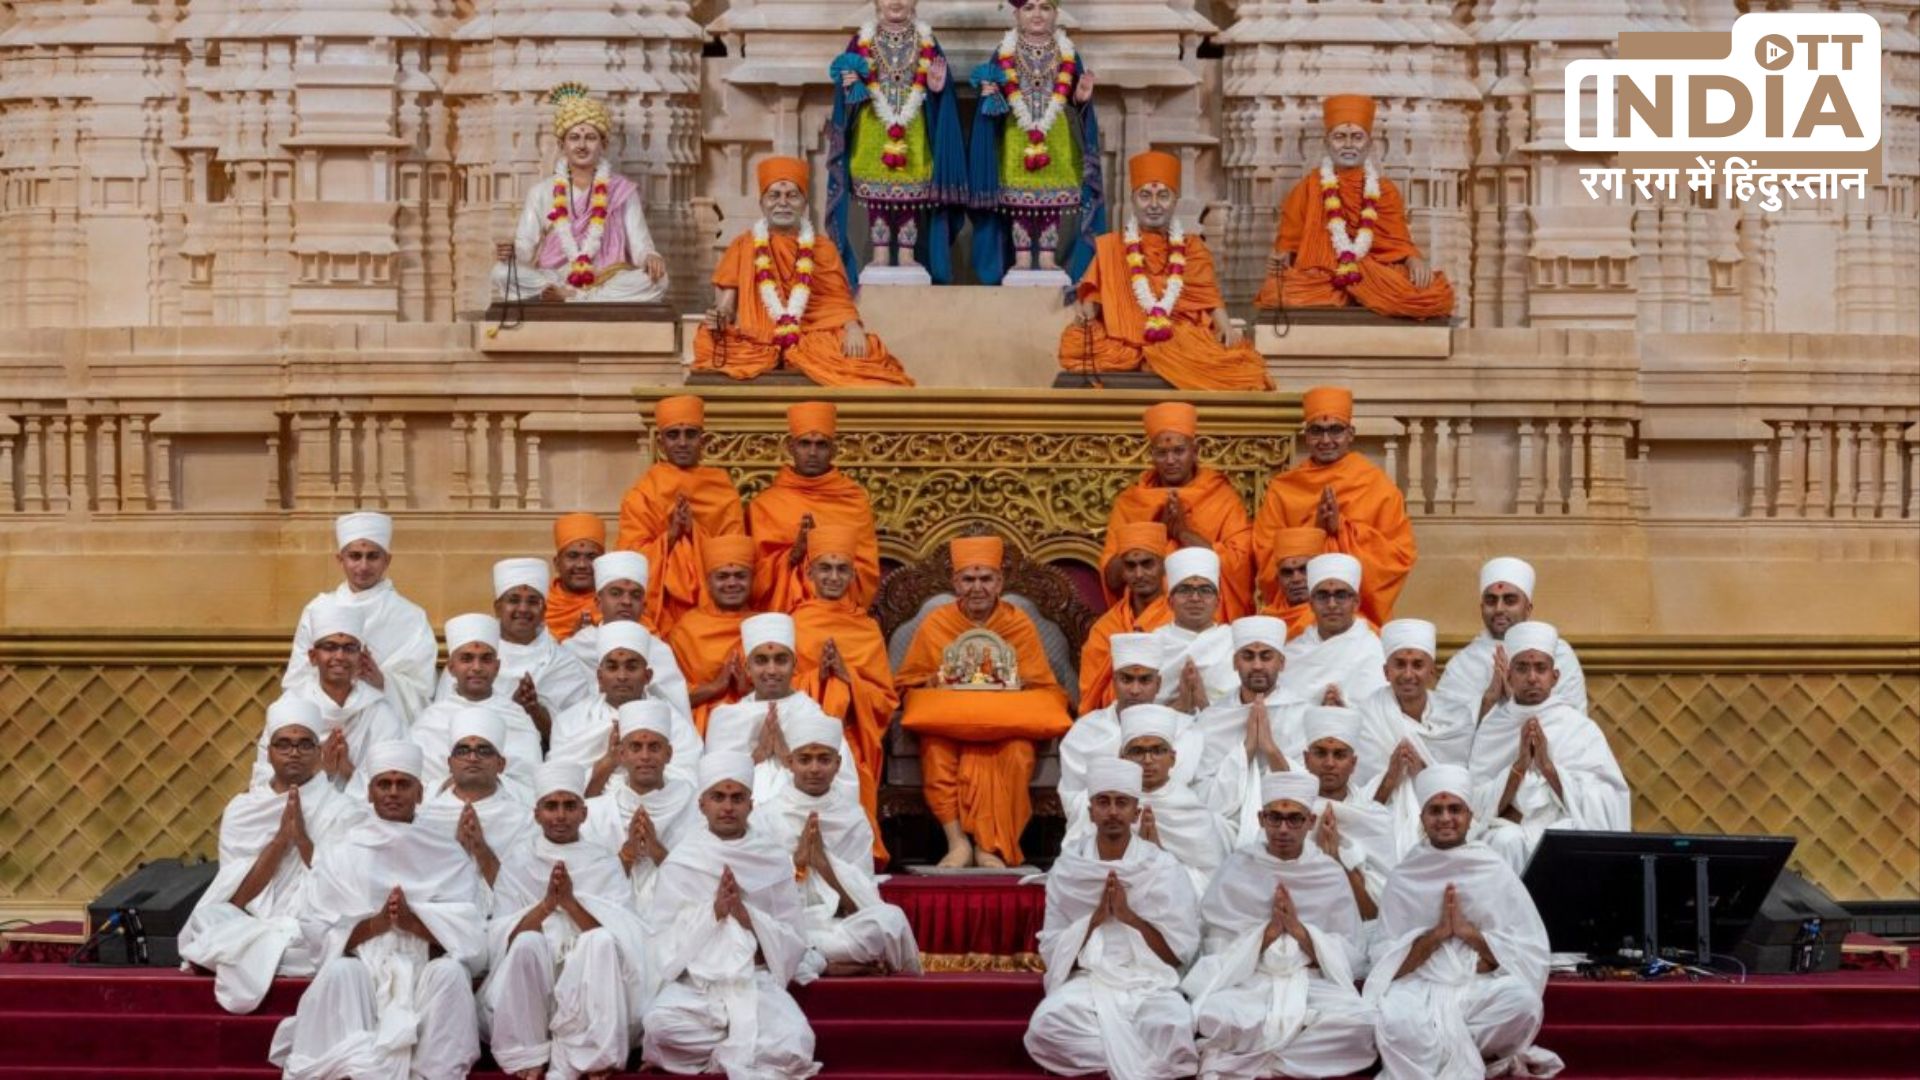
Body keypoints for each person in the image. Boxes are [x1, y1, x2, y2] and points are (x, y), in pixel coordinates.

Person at [269, 742, 488, 1080]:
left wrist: (415, 925)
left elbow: (470, 939)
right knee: (340, 972)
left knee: (451, 974)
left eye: (403, 784)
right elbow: (317, 931)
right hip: (363, 972)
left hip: (422, 974)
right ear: (369, 793)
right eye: (384, 784)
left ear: (420, 793)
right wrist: (377, 924)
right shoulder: (342, 852)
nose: (393, 792)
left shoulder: (446, 853)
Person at [1365, 766, 1562, 1079]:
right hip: (1419, 987)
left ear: (1470, 816)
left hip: (1477, 986)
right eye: (1436, 810)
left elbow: (1529, 950)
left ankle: (1445, 1052)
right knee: (1394, 1021)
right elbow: (1383, 962)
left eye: (1455, 809)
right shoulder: (1405, 876)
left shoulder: (1493, 869)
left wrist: (1471, 936)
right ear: (1423, 819)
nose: (1445, 818)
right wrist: (1436, 936)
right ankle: (1470, 1058)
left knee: (1522, 1003)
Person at [1184, 771, 1379, 1080]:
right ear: (1261, 819)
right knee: (1213, 1016)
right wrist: (1267, 936)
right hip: (1249, 980)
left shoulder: (1328, 872)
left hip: (1311, 981)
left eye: (1294, 819)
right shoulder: (1238, 866)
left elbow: (1352, 952)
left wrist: (1300, 933)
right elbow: (1215, 944)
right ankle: (1290, 1059)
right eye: (1275, 818)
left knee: (1362, 1024)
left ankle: (1257, 1061)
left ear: (1310, 822)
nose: (1283, 829)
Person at [895, 535, 1074, 868]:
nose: (977, 587)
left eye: (985, 579)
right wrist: (933, 681)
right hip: (949, 719)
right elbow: (908, 681)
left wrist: (1017, 683)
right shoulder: (937, 622)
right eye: (968, 579)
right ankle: (957, 842)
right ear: (955, 582)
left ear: (1000, 582)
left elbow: (1042, 682)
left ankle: (991, 846)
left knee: (1019, 753)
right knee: (935, 750)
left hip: (1004, 721)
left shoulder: (1017, 622)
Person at [641, 753, 820, 1079]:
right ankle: (738, 1046)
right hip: (697, 986)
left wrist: (744, 914)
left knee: (795, 1046)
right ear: (702, 805)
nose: (727, 806)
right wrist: (714, 912)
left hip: (755, 980)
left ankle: (727, 1045)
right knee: (659, 1028)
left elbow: (793, 938)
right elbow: (662, 941)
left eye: (737, 798)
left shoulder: (773, 858)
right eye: (718, 797)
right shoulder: (682, 861)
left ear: (750, 805)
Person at [180, 699, 362, 1014]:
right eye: (284, 744)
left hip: (309, 925)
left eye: (305, 744)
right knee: (206, 919)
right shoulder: (242, 809)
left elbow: (341, 891)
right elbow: (236, 898)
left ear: (319, 753)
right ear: (270, 752)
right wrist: (280, 842)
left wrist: (303, 841)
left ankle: (252, 952)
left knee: (333, 936)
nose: (294, 752)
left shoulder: (342, 809)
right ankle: (266, 948)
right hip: (256, 921)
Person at [1025, 757, 1200, 1080]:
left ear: (1136, 811)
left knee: (1173, 1025)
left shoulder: (1162, 867)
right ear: (1090, 810)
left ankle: (1122, 1063)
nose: (1113, 811)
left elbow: (1178, 954)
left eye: (1122, 802)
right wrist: (1095, 919)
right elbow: (1055, 953)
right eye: (1103, 802)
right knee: (1047, 1027)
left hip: (1150, 984)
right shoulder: (1069, 869)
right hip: (1089, 982)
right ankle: (1147, 1067)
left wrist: (1128, 916)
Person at [482, 762, 650, 1080]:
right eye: (552, 806)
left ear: (583, 814)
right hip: (537, 967)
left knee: (598, 942)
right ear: (537, 814)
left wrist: (570, 904)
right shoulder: (519, 860)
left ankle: (594, 1053)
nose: (560, 815)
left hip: (587, 969)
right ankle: (527, 1052)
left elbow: (623, 937)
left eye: (569, 805)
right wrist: (547, 905)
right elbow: (502, 936)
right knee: (527, 942)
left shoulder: (603, 862)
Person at [692, 156, 915, 387]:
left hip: (811, 333)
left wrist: (853, 328)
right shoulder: (743, 245)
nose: (783, 202)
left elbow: (837, 302)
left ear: (804, 203)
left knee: (868, 353)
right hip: (757, 338)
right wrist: (719, 317)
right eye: (774, 195)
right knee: (707, 341)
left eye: (792, 195)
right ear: (762, 204)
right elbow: (726, 307)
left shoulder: (823, 248)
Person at [1059, 151, 1272, 391]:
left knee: (1240, 366)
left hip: (1177, 334)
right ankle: (1148, 356)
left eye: (1163, 196)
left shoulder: (1192, 247)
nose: (1153, 205)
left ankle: (1157, 357)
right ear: (1133, 199)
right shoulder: (1112, 246)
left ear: (1175, 201)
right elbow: (1094, 296)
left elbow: (1208, 297)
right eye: (1145, 196)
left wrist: (1225, 327)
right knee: (1075, 345)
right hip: (1125, 337)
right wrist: (1086, 317)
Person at [750, 712, 922, 978]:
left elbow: (859, 906)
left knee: (890, 920)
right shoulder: (767, 816)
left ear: (838, 763)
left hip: (837, 929)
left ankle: (815, 962)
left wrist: (824, 866)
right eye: (805, 759)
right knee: (760, 935)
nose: (815, 769)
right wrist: (798, 864)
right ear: (789, 762)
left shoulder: (852, 817)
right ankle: (831, 964)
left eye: (824, 759)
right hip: (791, 927)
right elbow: (762, 899)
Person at [1256, 94, 1454, 320]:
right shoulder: (1307, 188)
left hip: (1373, 271)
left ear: (1369, 143)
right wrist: (1280, 261)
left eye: (1357, 137)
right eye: (1340, 137)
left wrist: (1414, 260)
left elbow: (1398, 242)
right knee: (1277, 292)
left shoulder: (1384, 190)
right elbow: (1288, 246)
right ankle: (1355, 293)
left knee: (1432, 293)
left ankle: (1359, 291)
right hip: (1322, 274)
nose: (1349, 145)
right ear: (1327, 143)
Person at [1468, 622, 1631, 874]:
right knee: (1504, 841)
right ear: (1508, 675)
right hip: (1510, 831)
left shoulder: (1579, 728)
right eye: (1522, 668)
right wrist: (1519, 767)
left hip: (1563, 827)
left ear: (1554, 677)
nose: (1532, 677)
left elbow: (1609, 801)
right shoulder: (1493, 728)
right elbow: (1476, 806)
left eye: (1540, 668)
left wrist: (1547, 767)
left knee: (1563, 840)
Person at [826, 0, 969, 280]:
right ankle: (880, 255)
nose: (896, 2)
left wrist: (938, 89)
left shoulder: (926, 41)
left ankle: (907, 254)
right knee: (878, 198)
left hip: (913, 131)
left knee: (910, 196)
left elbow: (941, 88)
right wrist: (850, 84)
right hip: (872, 131)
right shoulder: (861, 41)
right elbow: (846, 96)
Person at [492, 83, 668, 304]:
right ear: (562, 144)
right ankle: (581, 298)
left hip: (607, 277)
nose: (582, 145)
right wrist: (512, 251)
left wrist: (651, 257)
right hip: (556, 277)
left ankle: (574, 299)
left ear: (603, 143)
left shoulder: (622, 190)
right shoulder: (542, 192)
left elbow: (640, 244)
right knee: (501, 273)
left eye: (590, 138)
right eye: (574, 137)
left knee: (659, 280)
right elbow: (526, 245)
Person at [1255, 386, 1416, 626]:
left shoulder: (1377, 486)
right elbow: (1266, 558)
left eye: (1335, 430)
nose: (1326, 440)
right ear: (1306, 436)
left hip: (1357, 616)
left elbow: (1399, 558)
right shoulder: (1283, 488)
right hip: (1295, 615)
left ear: (1350, 433)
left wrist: (1341, 529)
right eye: (1317, 431)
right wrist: (1315, 534)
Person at [967, 0, 1103, 283]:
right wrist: (991, 92)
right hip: (1017, 135)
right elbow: (994, 102)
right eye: (1029, 8)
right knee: (1021, 202)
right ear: (1016, 14)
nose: (1037, 14)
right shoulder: (1005, 51)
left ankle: (1047, 257)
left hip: (1056, 136)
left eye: (1045, 7)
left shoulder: (1066, 52)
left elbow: (1075, 99)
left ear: (1056, 13)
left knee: (1050, 202)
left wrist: (1081, 97)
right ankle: (1022, 257)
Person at [791, 523, 899, 858]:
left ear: (853, 575)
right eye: (825, 568)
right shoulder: (794, 622)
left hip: (853, 735)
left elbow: (885, 699)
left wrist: (847, 677)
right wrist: (816, 678)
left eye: (842, 569)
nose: (833, 577)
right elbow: (777, 686)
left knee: (855, 775)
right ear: (810, 572)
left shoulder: (866, 628)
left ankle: (854, 867)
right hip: (799, 737)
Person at [1100, 403, 1257, 621]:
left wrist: (1184, 534)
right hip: (1145, 616)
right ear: (1151, 455)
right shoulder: (1131, 502)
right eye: (1162, 453)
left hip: (1206, 614)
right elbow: (1112, 579)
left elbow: (1240, 565)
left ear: (1195, 452)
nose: (1171, 460)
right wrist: (1154, 535)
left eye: (1178, 451)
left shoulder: (1222, 497)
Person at [283, 511, 437, 723]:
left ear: (387, 560)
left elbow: (422, 691)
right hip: (322, 720)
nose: (363, 566)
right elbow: (297, 679)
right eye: (355, 556)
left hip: (385, 724)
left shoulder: (411, 616)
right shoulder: (318, 608)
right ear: (340, 559)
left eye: (372, 556)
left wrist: (382, 680)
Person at [1064, 705, 1232, 897]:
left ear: (1173, 758)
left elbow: (1210, 883)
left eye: (1157, 750)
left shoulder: (1190, 810)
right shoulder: (1104, 803)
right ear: (1122, 757)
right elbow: (1076, 866)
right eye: (1137, 751)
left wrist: (1160, 861)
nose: (1148, 760)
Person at [615, 395, 748, 636]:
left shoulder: (722, 490)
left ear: (703, 440)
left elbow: (734, 557)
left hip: (714, 604)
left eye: (690, 434)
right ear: (662, 442)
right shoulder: (643, 494)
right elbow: (630, 561)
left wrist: (694, 532)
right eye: (674, 435)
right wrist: (672, 535)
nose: (683, 442)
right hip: (662, 606)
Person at [435, 558, 598, 740]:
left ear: (544, 609)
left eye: (532, 601)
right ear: (497, 608)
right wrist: (511, 710)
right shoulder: (470, 659)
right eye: (514, 600)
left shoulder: (563, 662)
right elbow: (446, 721)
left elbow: (576, 734)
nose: (523, 609)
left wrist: (535, 710)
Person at [704, 613, 857, 803]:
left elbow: (845, 789)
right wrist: (756, 756)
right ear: (747, 667)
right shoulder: (726, 719)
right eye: (761, 660)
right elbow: (711, 789)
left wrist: (788, 759)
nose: (771, 670)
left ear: (794, 665)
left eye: (780, 660)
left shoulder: (814, 717)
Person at [256, 601, 406, 793]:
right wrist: (319, 769)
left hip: (361, 819)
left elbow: (397, 787)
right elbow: (263, 781)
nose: (340, 656)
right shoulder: (289, 708)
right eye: (330, 647)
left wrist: (348, 772)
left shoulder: (379, 712)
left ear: (361, 658)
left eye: (349, 648)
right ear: (312, 656)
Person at [748, 402, 883, 613]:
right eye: (805, 444)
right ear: (791, 448)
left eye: (821, 445)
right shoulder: (766, 505)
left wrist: (826, 553)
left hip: (839, 612)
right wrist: (795, 553)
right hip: (785, 616)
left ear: (833, 450)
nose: (812, 452)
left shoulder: (853, 500)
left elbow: (866, 572)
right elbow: (754, 580)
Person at [1184, 615, 1308, 837]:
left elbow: (1308, 793)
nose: (1257, 665)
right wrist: (1247, 749)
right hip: (1225, 826)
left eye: (1266, 656)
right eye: (1248, 656)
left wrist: (1270, 749)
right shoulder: (1213, 719)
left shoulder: (1302, 714)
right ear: (1234, 663)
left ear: (1282, 662)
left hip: (1286, 824)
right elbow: (1203, 797)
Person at [551, 621, 702, 790]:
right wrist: (608, 762)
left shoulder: (673, 722)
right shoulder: (569, 722)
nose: (622, 676)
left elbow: (688, 781)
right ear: (600, 678)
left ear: (647, 676)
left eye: (631, 667)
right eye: (613, 667)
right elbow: (558, 787)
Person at [583, 700, 702, 909]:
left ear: (669, 754)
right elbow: (590, 887)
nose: (645, 756)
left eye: (654, 747)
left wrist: (657, 852)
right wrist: (627, 855)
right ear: (621, 754)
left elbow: (699, 886)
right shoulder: (598, 812)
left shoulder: (693, 806)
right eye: (636, 747)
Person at [1436, 557, 1589, 717]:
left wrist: (1516, 702)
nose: (1499, 609)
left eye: (1510, 601)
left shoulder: (1559, 653)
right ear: (1482, 608)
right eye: (1491, 601)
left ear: (1528, 608)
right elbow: (1446, 729)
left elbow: (1573, 725)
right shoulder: (1462, 664)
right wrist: (1488, 701)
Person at [413, 614, 545, 798]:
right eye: (467, 658)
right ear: (451, 667)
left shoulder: (517, 716)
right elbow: (417, 786)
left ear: (497, 667)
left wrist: (489, 785)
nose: (477, 667)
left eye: (486, 659)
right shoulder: (431, 719)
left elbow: (530, 784)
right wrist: (453, 785)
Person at [560, 550, 695, 722]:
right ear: (598, 602)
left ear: (644, 605)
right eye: (616, 593)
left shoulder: (658, 650)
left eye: (635, 595)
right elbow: (564, 711)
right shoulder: (575, 648)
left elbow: (676, 715)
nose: (626, 601)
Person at [415, 708, 535, 890]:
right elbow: (418, 885)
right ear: (449, 764)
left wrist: (481, 850)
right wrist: (457, 852)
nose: (472, 758)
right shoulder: (425, 816)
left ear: (501, 764)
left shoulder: (522, 820)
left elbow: (524, 892)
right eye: (463, 751)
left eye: (484, 751)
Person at [1355, 618, 1474, 794]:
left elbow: (1461, 790)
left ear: (1432, 672)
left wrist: (1422, 773)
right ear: (1386, 672)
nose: (1408, 674)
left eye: (1417, 665)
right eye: (1400, 664)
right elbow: (1362, 796)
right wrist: (1391, 776)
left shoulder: (1457, 717)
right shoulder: (1367, 716)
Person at [1301, 706, 1394, 917]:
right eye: (1320, 753)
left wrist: (1338, 862)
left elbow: (1377, 913)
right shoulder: (1287, 813)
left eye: (1340, 755)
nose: (1329, 763)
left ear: (1353, 764)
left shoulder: (1376, 818)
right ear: (1306, 759)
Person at [665, 534, 760, 734]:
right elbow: (667, 696)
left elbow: (790, 694)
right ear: (708, 581)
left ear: (752, 579)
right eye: (722, 576)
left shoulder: (766, 626)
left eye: (740, 576)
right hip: (699, 732)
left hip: (757, 728)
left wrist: (748, 690)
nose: (732, 583)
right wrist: (715, 687)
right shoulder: (687, 629)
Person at [1059, 632, 1164, 812]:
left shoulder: (1183, 730)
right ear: (1114, 682)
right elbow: (1073, 799)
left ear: (1159, 684)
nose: (1135, 690)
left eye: (1145, 680)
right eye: (1127, 679)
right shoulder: (1084, 732)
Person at [1079, 521, 1173, 710]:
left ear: (1163, 566)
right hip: (1112, 719)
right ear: (1122, 571)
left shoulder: (1179, 619)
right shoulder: (1105, 627)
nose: (1139, 574)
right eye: (1131, 566)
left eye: (1147, 564)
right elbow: (1091, 692)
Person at [1278, 553, 1389, 705]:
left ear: (1356, 602)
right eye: (1323, 596)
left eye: (1341, 595)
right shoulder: (1292, 653)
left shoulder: (1375, 650)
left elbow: (1384, 714)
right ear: (1311, 604)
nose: (1331, 604)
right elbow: (1283, 717)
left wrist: (1345, 713)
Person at [1151, 547, 1239, 711]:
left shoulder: (1234, 641)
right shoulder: (1153, 643)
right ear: (1170, 601)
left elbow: (1246, 703)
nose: (1195, 598)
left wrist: (1205, 705)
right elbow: (1141, 709)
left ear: (1218, 602)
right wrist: (1181, 706)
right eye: (1185, 590)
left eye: (1205, 591)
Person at [1256, 525, 1330, 639]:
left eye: (1304, 569)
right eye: (1287, 572)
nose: (1296, 579)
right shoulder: (1264, 621)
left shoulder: (1340, 620)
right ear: (1278, 578)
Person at [545, 512, 608, 642]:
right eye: (573, 556)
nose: (582, 565)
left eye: (591, 557)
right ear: (557, 563)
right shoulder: (537, 605)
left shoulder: (618, 604)